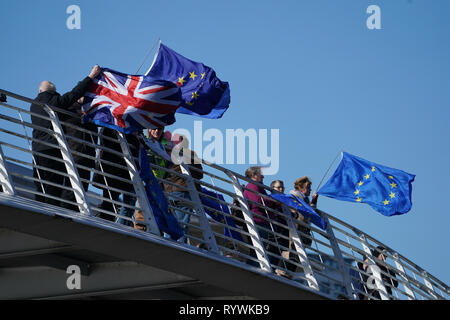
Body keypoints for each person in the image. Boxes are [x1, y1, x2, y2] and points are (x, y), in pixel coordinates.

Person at [30, 65, 101, 210]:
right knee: (54, 186)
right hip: (52, 148)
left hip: (37, 148)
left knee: (42, 184)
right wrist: (90, 77)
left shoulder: (34, 105)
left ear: (39, 91)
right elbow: (71, 96)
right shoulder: (52, 102)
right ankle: (54, 214)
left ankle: (43, 211)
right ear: (52, 92)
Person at [93, 127, 141, 222]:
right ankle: (105, 226)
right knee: (110, 203)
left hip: (127, 173)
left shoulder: (136, 131)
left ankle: (116, 225)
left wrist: (136, 137)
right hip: (112, 171)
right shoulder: (109, 128)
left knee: (128, 204)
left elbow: (137, 149)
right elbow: (105, 142)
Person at [163, 136, 203, 243]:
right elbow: (199, 174)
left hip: (169, 190)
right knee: (183, 222)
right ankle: (180, 246)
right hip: (184, 189)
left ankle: (167, 244)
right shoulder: (190, 154)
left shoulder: (166, 152)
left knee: (171, 221)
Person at [243, 167, 280, 269]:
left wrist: (273, 202)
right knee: (258, 250)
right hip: (258, 221)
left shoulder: (258, 187)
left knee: (260, 250)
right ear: (254, 175)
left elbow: (262, 201)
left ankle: (253, 270)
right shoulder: (253, 186)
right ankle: (251, 271)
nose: (263, 176)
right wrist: (273, 200)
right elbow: (258, 201)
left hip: (261, 221)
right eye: (260, 174)